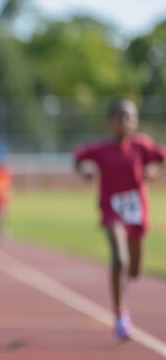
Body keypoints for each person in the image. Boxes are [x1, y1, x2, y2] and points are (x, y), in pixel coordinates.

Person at [74, 98, 166, 341]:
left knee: (134, 270)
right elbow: (79, 156)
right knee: (119, 257)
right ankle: (120, 316)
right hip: (112, 210)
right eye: (122, 116)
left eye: (132, 117)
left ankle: (124, 279)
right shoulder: (101, 150)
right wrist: (85, 170)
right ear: (110, 122)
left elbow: (161, 157)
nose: (127, 121)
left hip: (137, 213)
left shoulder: (141, 146)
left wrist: (153, 172)